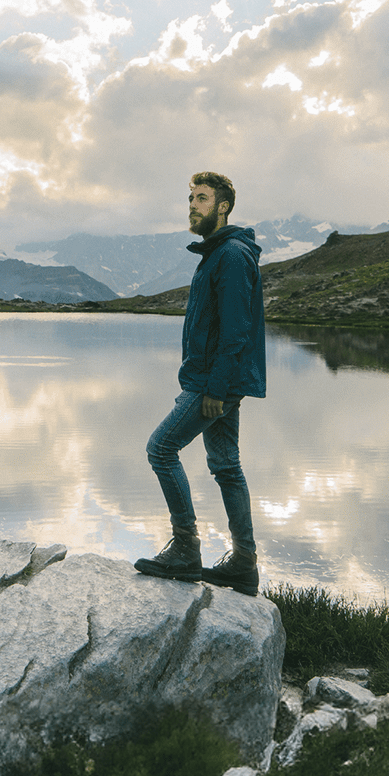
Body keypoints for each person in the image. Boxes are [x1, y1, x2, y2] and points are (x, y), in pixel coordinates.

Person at [134, 170, 266, 595]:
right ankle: (243, 564)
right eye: (190, 197)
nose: (193, 205)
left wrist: (215, 389)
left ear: (223, 207)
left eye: (202, 198)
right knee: (227, 466)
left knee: (161, 448)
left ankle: (186, 548)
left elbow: (236, 329)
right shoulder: (217, 253)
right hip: (218, 380)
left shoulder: (229, 254)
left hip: (213, 383)